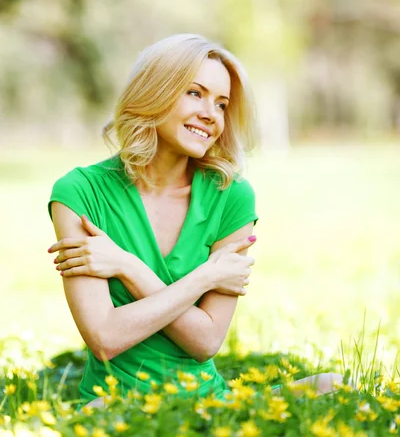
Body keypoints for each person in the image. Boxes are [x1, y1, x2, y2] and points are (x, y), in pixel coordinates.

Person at [47, 33, 344, 408]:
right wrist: (207, 276)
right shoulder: (80, 192)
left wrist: (127, 267)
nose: (211, 114)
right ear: (154, 91)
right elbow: (105, 338)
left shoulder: (231, 196)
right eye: (194, 93)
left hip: (205, 402)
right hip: (112, 408)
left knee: (334, 383)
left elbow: (206, 342)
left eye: (222, 104)